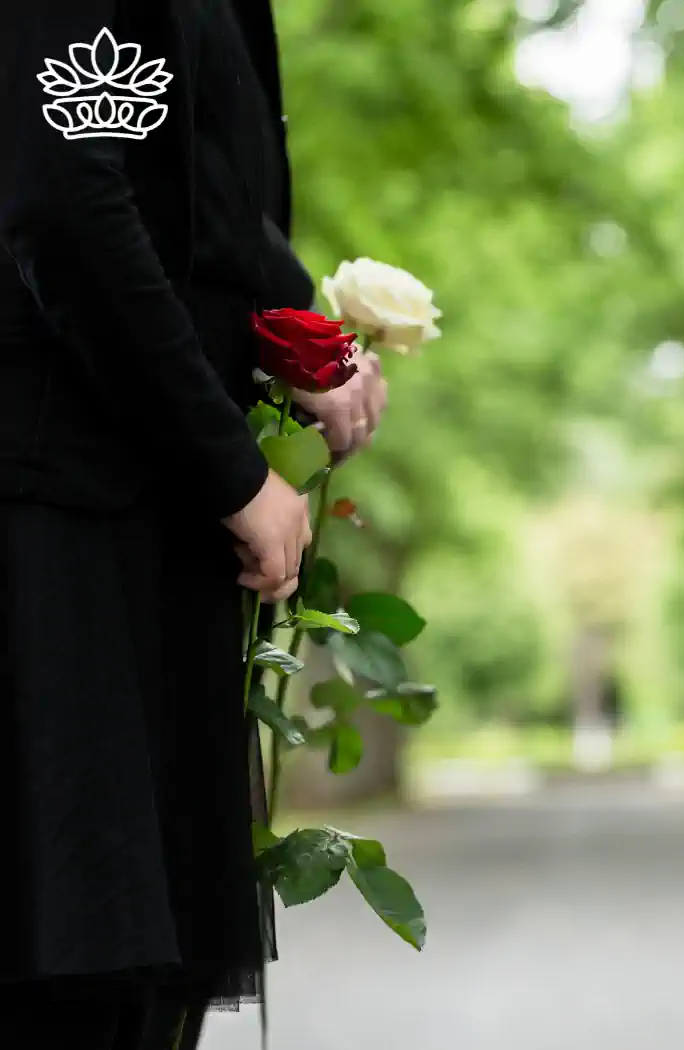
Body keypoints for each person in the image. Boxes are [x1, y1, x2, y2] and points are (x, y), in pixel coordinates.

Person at [0, 2, 383, 1046]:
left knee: (129, 980)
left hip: (137, 522)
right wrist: (234, 471)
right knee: (69, 974)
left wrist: (299, 333)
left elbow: (190, 194)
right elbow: (67, 207)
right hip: (55, 526)